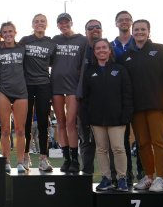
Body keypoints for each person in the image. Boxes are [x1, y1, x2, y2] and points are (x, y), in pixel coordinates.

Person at [122, 19, 163, 192]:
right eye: (136, 29)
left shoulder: (160, 50)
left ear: (149, 31)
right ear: (132, 31)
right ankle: (149, 176)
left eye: (142, 29)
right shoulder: (126, 56)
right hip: (137, 108)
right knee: (143, 143)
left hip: (157, 106)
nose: (139, 32)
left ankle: (161, 177)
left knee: (159, 142)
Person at [82, 39, 133, 192]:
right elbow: (85, 97)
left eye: (104, 47)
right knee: (101, 149)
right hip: (96, 118)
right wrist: (86, 117)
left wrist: (126, 114)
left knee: (118, 148)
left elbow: (127, 94)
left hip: (117, 118)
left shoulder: (120, 69)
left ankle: (122, 178)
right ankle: (106, 178)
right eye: (98, 48)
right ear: (94, 51)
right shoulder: (90, 71)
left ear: (110, 50)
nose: (101, 50)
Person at [19, 14, 55, 172]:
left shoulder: (51, 43)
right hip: (26, 85)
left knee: (42, 123)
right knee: (26, 122)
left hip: (44, 85)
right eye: (36, 21)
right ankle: (25, 156)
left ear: (46, 24)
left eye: (42, 21)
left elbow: (53, 63)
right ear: (32, 24)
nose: (39, 24)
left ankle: (43, 158)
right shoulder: (25, 40)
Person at [51, 13, 86, 173]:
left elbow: (85, 64)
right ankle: (66, 159)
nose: (64, 25)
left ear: (71, 23)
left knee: (71, 123)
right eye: (61, 23)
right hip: (56, 86)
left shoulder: (81, 40)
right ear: (57, 25)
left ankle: (74, 159)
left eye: (66, 22)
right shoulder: (55, 40)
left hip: (73, 86)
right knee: (61, 123)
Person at [111, 10, 141, 182]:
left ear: (131, 22)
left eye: (127, 19)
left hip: (139, 96)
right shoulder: (110, 45)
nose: (124, 22)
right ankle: (126, 173)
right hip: (120, 99)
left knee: (141, 138)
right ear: (116, 23)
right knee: (122, 141)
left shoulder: (139, 43)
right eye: (120, 20)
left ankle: (143, 172)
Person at [0, 23, 28, 172]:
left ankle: (20, 162)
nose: (8, 34)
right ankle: (6, 161)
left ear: (15, 32)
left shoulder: (22, 48)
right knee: (5, 130)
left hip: (21, 92)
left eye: (10, 31)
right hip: (4, 92)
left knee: (20, 130)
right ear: (1, 34)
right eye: (5, 32)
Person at [76, 19, 103, 175]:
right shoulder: (81, 49)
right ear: (85, 31)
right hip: (85, 103)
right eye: (90, 28)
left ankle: (115, 178)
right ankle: (87, 175)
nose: (94, 30)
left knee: (110, 144)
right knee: (86, 140)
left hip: (106, 104)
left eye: (97, 27)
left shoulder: (108, 47)